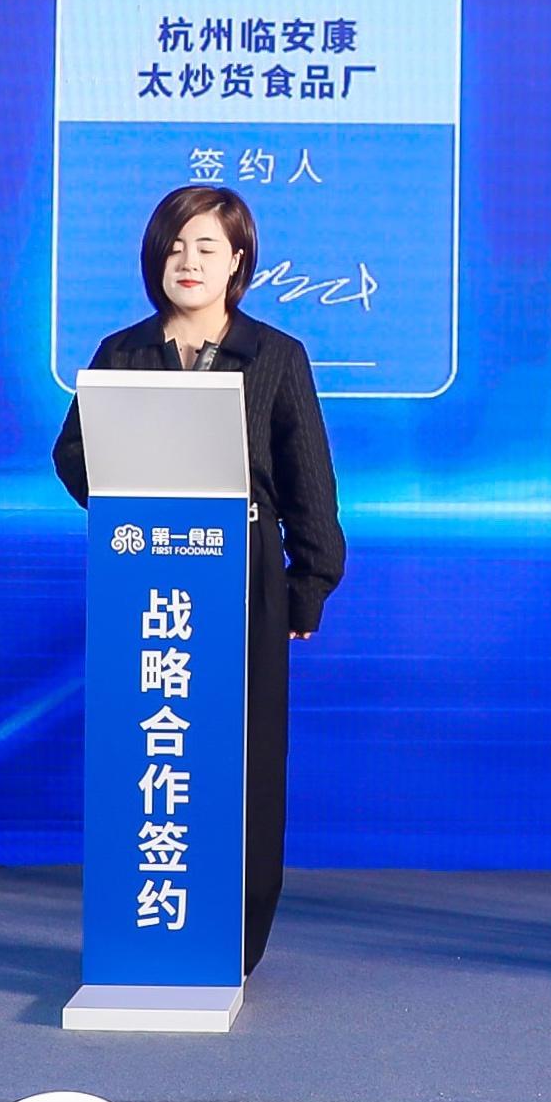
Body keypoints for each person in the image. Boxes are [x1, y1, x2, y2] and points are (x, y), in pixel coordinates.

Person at [53, 184, 346, 974]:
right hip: (143, 578)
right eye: (175, 247)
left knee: (242, 754)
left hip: (245, 579)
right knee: (154, 746)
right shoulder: (121, 352)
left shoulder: (275, 355)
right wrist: (129, 503)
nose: (189, 261)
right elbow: (72, 454)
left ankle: (234, 935)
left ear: (238, 261)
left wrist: (310, 582)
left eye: (207, 247)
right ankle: (147, 924)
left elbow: (309, 479)